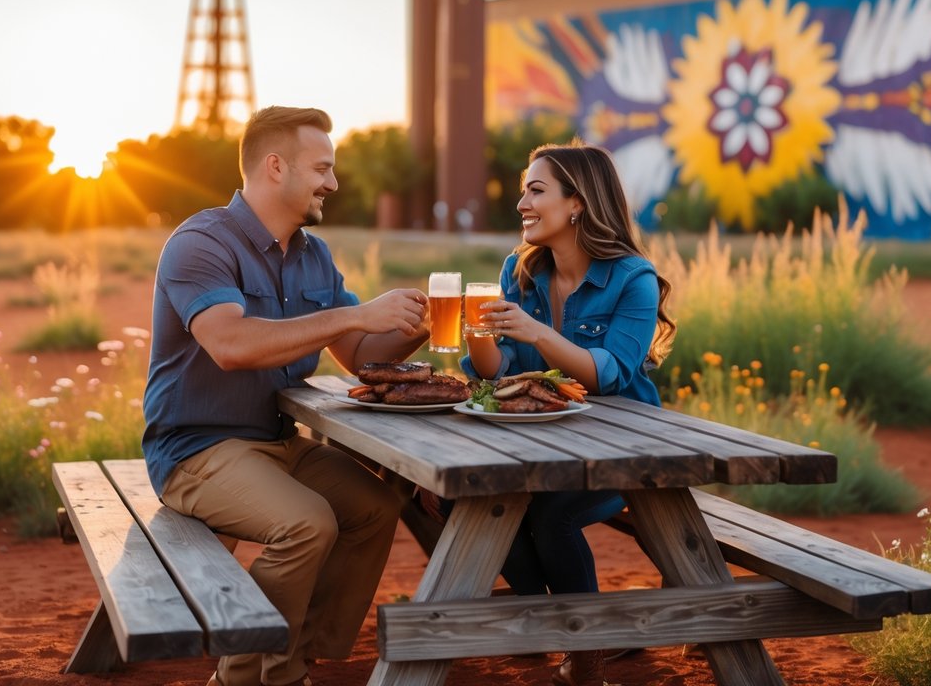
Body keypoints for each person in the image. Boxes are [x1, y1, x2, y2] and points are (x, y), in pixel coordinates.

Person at [141, 105, 430, 686]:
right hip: (197, 449)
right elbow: (229, 344)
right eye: (322, 167)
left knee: (374, 509)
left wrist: (418, 323)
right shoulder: (200, 242)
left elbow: (359, 355)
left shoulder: (312, 254)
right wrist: (354, 312)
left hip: (278, 441)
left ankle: (295, 658)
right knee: (307, 524)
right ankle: (244, 676)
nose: (334, 182)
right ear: (276, 167)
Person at [460, 141, 676, 686]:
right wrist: (477, 334)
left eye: (536, 191)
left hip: (628, 450)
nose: (521, 204)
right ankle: (562, 625)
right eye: (522, 192)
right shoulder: (521, 269)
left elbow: (608, 374)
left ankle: (585, 661)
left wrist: (536, 331)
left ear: (577, 202)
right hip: (546, 443)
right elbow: (496, 370)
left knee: (549, 516)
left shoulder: (634, 279)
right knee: (471, 499)